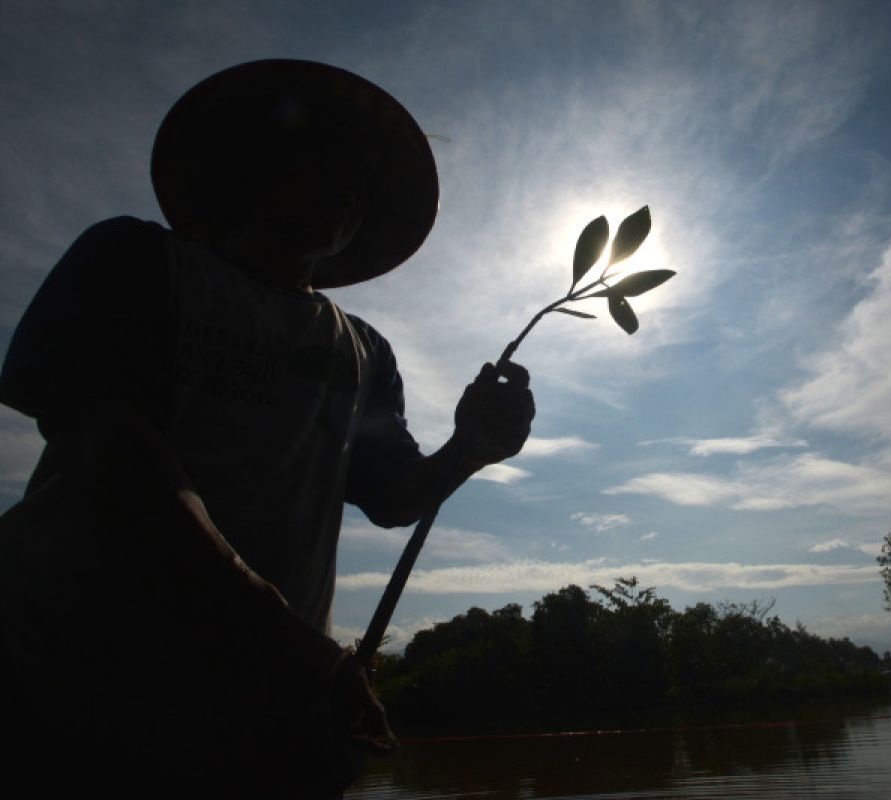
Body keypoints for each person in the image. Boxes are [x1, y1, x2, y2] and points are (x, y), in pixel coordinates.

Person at [0, 59, 535, 797]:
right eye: (323, 160)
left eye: (362, 185)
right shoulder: (136, 261)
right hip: (71, 680)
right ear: (255, 166)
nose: (347, 190)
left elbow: (394, 497)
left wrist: (469, 450)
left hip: (257, 711)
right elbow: (115, 457)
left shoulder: (364, 351)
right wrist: (288, 643)